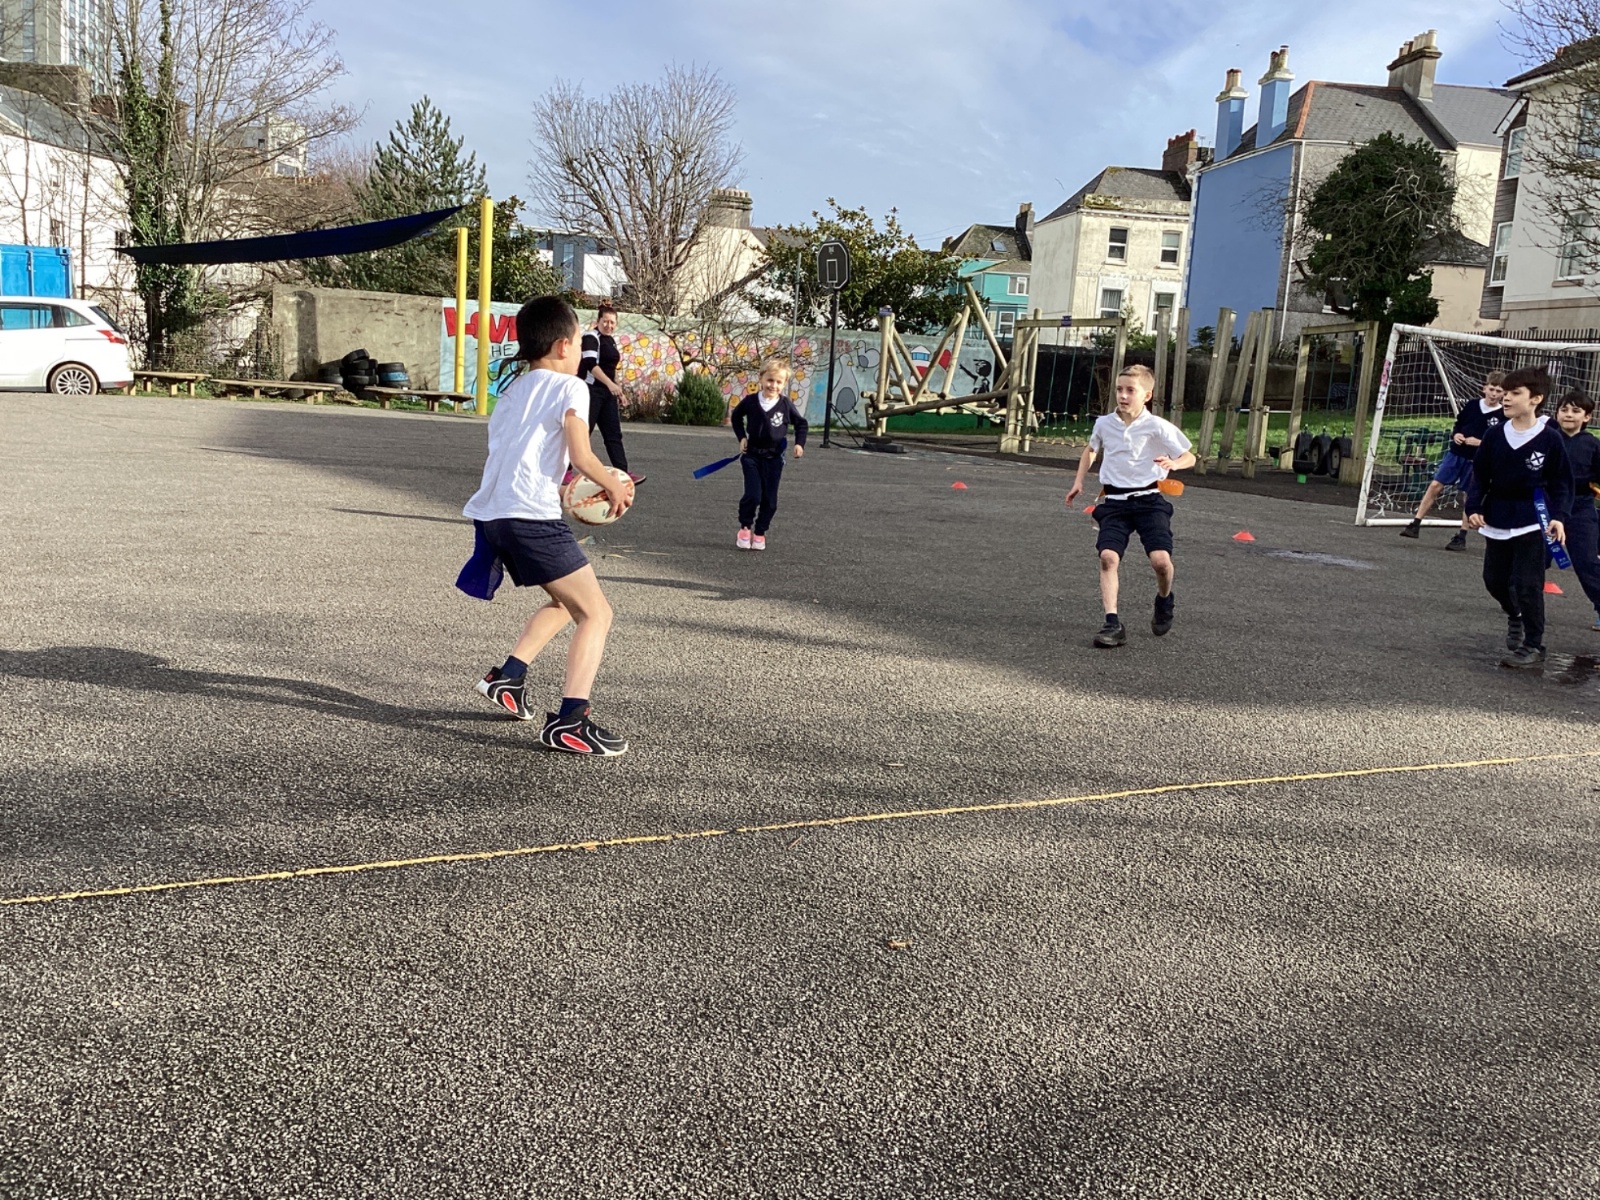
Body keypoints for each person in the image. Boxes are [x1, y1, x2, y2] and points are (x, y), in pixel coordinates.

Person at [463, 295, 632, 755]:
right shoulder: (571, 387)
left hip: (494, 517)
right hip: (529, 519)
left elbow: (518, 459)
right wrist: (613, 485)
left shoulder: (512, 392)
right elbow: (582, 456)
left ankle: (508, 678)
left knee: (564, 602)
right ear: (562, 346)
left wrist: (564, 493)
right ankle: (571, 722)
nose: (581, 352)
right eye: (580, 343)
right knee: (596, 613)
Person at [1065, 364, 1195, 647]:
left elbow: (1190, 456)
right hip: (1114, 502)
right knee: (1108, 557)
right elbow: (1091, 449)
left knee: (1161, 562)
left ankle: (1164, 599)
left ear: (1146, 395)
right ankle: (1112, 623)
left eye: (1130, 391)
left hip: (1149, 501)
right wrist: (1079, 481)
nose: (1123, 396)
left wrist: (1174, 463)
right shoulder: (1104, 424)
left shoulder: (1157, 426)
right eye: (1119, 389)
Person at [1464, 366, 1571, 669]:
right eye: (1505, 393)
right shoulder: (1494, 435)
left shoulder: (1550, 439)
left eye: (1514, 393)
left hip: (1533, 516)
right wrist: (1474, 507)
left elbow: (1562, 483)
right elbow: (1479, 476)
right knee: (1495, 581)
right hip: (1498, 514)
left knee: (1528, 583)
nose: (1506, 398)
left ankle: (1534, 644)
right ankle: (1516, 615)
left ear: (1535, 399)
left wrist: (1559, 516)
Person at [1401, 369, 1504, 548]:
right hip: (1456, 454)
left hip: (1476, 460)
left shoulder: (1502, 415)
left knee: (1468, 495)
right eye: (1492, 389)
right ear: (1484, 388)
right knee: (1435, 485)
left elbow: (1499, 441)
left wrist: (1480, 442)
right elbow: (1458, 425)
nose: (1494, 394)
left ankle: (1462, 535)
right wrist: (1456, 435)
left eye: (1498, 391)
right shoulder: (1472, 405)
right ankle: (1415, 523)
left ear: (1503, 394)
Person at [730, 359, 807, 551]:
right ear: (761, 379)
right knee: (753, 495)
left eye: (779, 382)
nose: (773, 385)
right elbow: (736, 416)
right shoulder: (751, 401)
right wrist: (742, 437)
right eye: (770, 380)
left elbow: (801, 423)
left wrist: (799, 443)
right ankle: (745, 527)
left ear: (784, 383)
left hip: (774, 458)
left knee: (770, 500)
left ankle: (760, 532)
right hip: (752, 455)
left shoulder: (785, 404)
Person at [578, 304, 645, 486]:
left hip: (607, 394)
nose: (608, 325)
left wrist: (618, 391)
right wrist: (610, 384)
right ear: (598, 321)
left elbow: (611, 370)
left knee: (613, 434)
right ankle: (565, 472)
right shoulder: (591, 337)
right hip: (591, 391)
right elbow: (591, 364)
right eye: (605, 321)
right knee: (582, 432)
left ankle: (623, 473)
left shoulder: (611, 341)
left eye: (612, 322)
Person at [1553, 388, 1600, 631]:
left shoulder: (1592, 444)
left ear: (1587, 417)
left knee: (1587, 562)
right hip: (1546, 508)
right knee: (1533, 560)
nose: (1568, 414)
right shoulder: (1546, 438)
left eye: (1575, 410)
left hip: (1580, 508)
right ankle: (1520, 604)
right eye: (1564, 409)